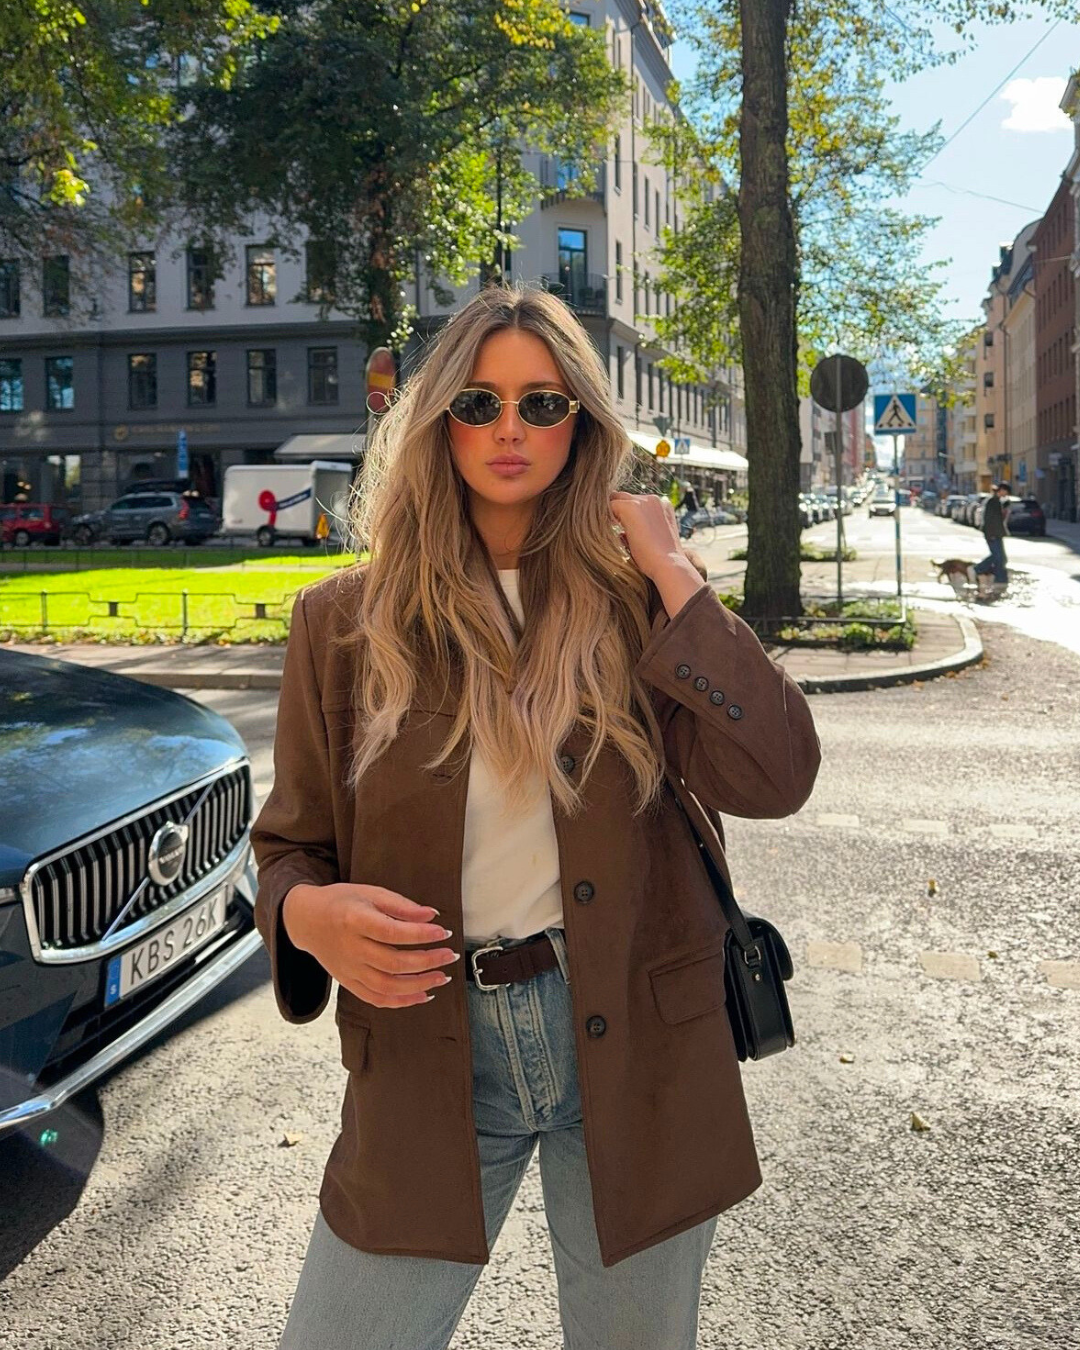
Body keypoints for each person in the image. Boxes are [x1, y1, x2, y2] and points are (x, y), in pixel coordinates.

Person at [250, 283, 821, 1350]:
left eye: (543, 405)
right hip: (429, 1045)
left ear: (583, 425)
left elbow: (777, 774)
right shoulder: (342, 621)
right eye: (478, 403)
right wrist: (308, 919)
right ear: (439, 422)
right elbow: (288, 847)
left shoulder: (636, 605)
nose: (509, 429)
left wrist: (677, 576)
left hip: (637, 1036)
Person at [974, 481, 1010, 595]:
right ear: (1002, 490)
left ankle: (1001, 581)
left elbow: (998, 520)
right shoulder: (992, 501)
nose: (1006, 494)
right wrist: (991, 535)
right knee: (998, 557)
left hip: (996, 534)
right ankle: (978, 569)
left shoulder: (996, 501)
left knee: (1001, 558)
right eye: (1006, 492)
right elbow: (989, 520)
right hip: (993, 534)